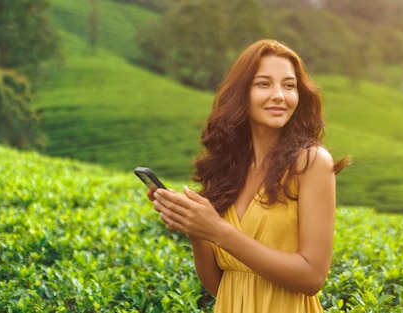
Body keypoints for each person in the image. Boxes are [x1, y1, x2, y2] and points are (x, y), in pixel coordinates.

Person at [148, 39, 350, 312]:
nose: (279, 95)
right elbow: (220, 284)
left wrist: (218, 231)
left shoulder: (311, 162)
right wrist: (196, 230)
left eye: (289, 85)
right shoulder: (229, 166)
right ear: (241, 93)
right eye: (264, 84)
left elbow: (312, 277)